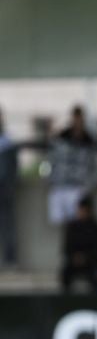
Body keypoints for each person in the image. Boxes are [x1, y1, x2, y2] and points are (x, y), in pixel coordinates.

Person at [46, 105, 97, 225]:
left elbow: (95, 166)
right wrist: (51, 180)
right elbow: (51, 160)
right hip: (60, 185)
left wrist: (89, 186)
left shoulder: (89, 140)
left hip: (78, 187)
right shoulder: (61, 138)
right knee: (59, 220)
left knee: (77, 221)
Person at [60, 195, 97, 294]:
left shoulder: (96, 227)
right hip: (73, 262)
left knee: (96, 276)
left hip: (91, 262)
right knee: (65, 273)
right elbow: (67, 247)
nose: (81, 213)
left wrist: (85, 258)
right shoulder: (71, 226)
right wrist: (75, 257)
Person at [0, 107, 18, 267]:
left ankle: (9, 259)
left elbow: (12, 170)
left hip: (4, 191)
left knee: (7, 225)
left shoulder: (7, 143)